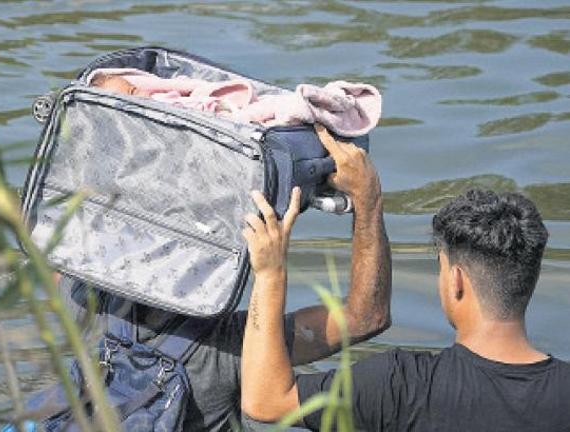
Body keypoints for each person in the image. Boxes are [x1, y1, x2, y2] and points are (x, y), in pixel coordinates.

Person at [51, 123, 392, 431]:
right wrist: (368, 200)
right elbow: (364, 318)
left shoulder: (83, 302)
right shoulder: (227, 349)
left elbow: (60, 235)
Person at [240, 128, 570, 431]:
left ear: (456, 280)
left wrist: (270, 275)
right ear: (531, 277)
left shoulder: (402, 385)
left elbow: (265, 401)